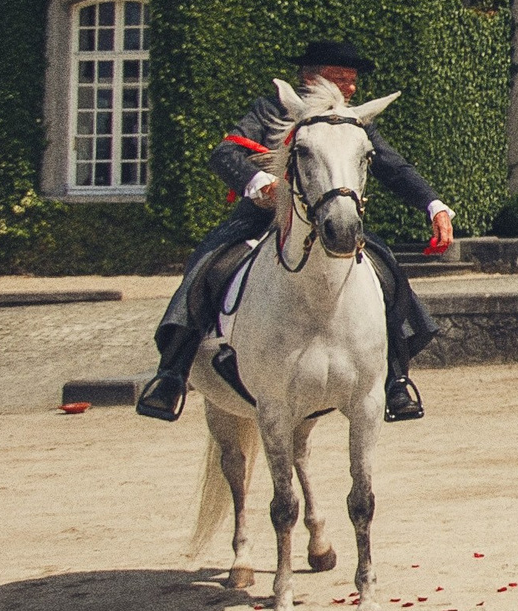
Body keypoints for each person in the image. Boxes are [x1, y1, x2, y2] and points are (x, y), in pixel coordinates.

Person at [138, 40, 453, 424]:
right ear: (310, 76)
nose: (349, 88)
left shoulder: (351, 120)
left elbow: (393, 166)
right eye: (340, 78)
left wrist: (433, 205)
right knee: (208, 266)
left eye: (352, 81)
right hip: (263, 217)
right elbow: (224, 153)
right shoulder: (270, 108)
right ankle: (171, 372)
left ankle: (396, 376)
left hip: (331, 216)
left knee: (387, 272)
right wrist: (260, 183)